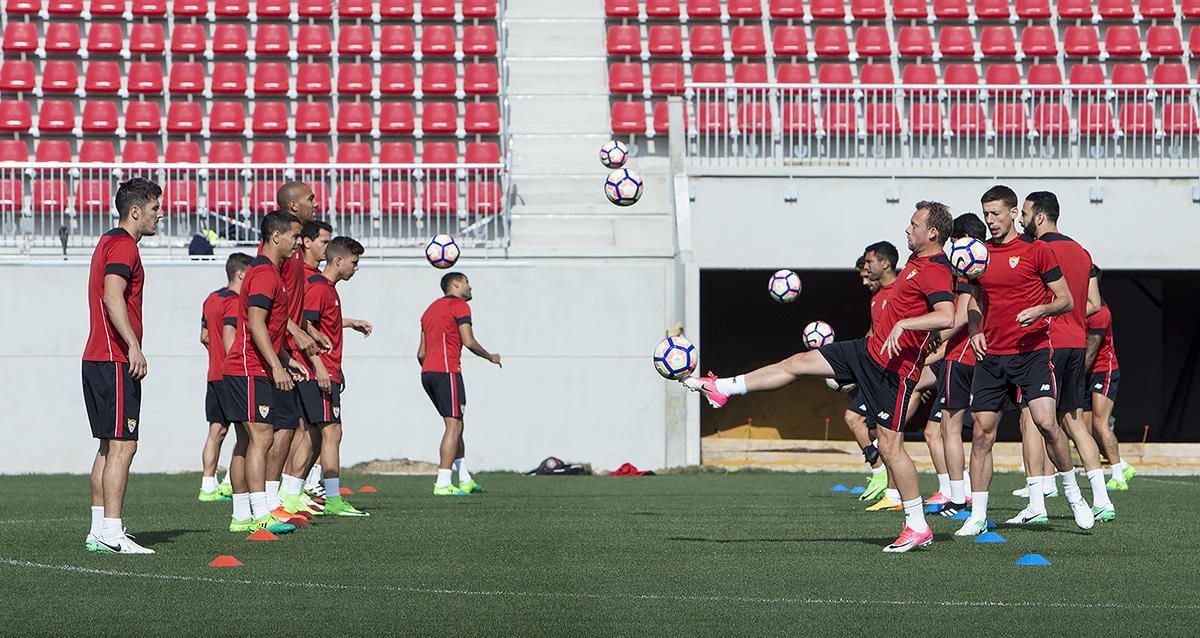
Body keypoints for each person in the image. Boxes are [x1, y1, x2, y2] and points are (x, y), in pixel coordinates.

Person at [687, 202, 957, 553]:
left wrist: (906, 325)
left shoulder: (935, 268)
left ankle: (918, 526)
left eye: (914, 224)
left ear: (932, 232)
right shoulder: (916, 265)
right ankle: (723, 387)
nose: (907, 229)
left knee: (891, 447)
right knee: (798, 362)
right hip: (868, 352)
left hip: (893, 372)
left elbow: (947, 315)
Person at [955, 186, 1095, 537]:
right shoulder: (977, 254)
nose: (990, 221)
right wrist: (974, 330)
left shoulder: (1038, 250)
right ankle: (978, 514)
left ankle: (1074, 494)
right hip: (992, 356)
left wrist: (1040, 310)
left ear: (1015, 213)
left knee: (1048, 423)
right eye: (986, 214)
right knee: (982, 434)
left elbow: (1065, 300)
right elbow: (974, 302)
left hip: (1032, 353)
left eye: (996, 214)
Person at [1008, 191, 1113, 524]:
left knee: (1030, 419)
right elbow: (1094, 304)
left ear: (1039, 217)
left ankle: (1037, 502)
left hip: (1047, 344)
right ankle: (1102, 499)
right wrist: (1072, 320)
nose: (1020, 220)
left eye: (1023, 214)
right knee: (1074, 421)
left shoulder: (1037, 250)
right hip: (1076, 342)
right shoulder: (1082, 251)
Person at [82, 178, 163, 554]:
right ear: (135, 211)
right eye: (154, 208)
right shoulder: (124, 246)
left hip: (98, 358)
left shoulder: (108, 241)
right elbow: (113, 296)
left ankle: (99, 529)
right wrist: (133, 346)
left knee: (107, 447)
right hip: (114, 359)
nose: (158, 215)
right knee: (124, 445)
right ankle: (112, 531)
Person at [218, 210, 308, 535]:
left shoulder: (268, 271)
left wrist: (286, 358)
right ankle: (261, 513)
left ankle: (241, 515)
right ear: (276, 237)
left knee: (246, 441)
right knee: (263, 437)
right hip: (249, 368)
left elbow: (268, 328)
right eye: (295, 236)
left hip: (246, 367)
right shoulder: (266, 274)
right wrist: (275, 365)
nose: (298, 243)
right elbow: (255, 324)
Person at [291, 236, 371, 516]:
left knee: (313, 436)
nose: (356, 268)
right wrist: (321, 367)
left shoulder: (328, 290)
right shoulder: (319, 288)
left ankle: (290, 496)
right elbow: (303, 325)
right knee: (331, 432)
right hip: (318, 373)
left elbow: (322, 327)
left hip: (327, 371)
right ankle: (333, 499)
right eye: (354, 262)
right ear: (338, 261)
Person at [267, 183, 331, 523]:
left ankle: (285, 497)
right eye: (310, 199)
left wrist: (308, 331)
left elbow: (289, 308)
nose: (315, 203)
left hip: (290, 350)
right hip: (277, 352)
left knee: (298, 428)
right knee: (278, 431)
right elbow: (268, 307)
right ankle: (268, 502)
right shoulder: (276, 258)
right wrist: (296, 335)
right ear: (293, 206)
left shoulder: (292, 258)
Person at [419, 272, 502, 496]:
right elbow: (469, 341)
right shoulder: (459, 305)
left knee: (457, 424)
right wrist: (490, 356)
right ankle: (443, 482)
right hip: (447, 371)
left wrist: (431, 367)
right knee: (453, 426)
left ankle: (464, 478)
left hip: (428, 373)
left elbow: (421, 352)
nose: (470, 288)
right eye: (467, 283)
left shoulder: (429, 310)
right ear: (455, 284)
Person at [928, 213, 988, 516]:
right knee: (979, 430)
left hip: (960, 354)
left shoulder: (966, 269)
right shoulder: (989, 262)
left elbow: (961, 316)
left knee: (948, 429)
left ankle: (956, 494)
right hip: (984, 355)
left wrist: (935, 338)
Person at [198, 252, 252, 502]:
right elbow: (230, 338)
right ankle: (232, 482)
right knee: (247, 434)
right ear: (241, 274)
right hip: (232, 375)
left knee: (216, 430)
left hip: (214, 374)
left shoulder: (210, 299)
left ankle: (208, 486)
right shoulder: (236, 301)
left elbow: (205, 337)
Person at [846, 254, 888, 503]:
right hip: (873, 373)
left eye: (865, 275)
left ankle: (883, 476)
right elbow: (871, 335)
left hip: (889, 374)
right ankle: (880, 474)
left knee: (859, 420)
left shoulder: (896, 294)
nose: (865, 281)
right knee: (868, 425)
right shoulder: (876, 298)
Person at [1084, 300, 1135, 490]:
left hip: (1103, 370)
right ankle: (1122, 465)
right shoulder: (1077, 308)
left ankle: (1118, 476)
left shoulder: (1100, 312)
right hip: (1086, 373)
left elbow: (1091, 352)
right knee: (1084, 429)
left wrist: (1073, 378)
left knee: (1100, 422)